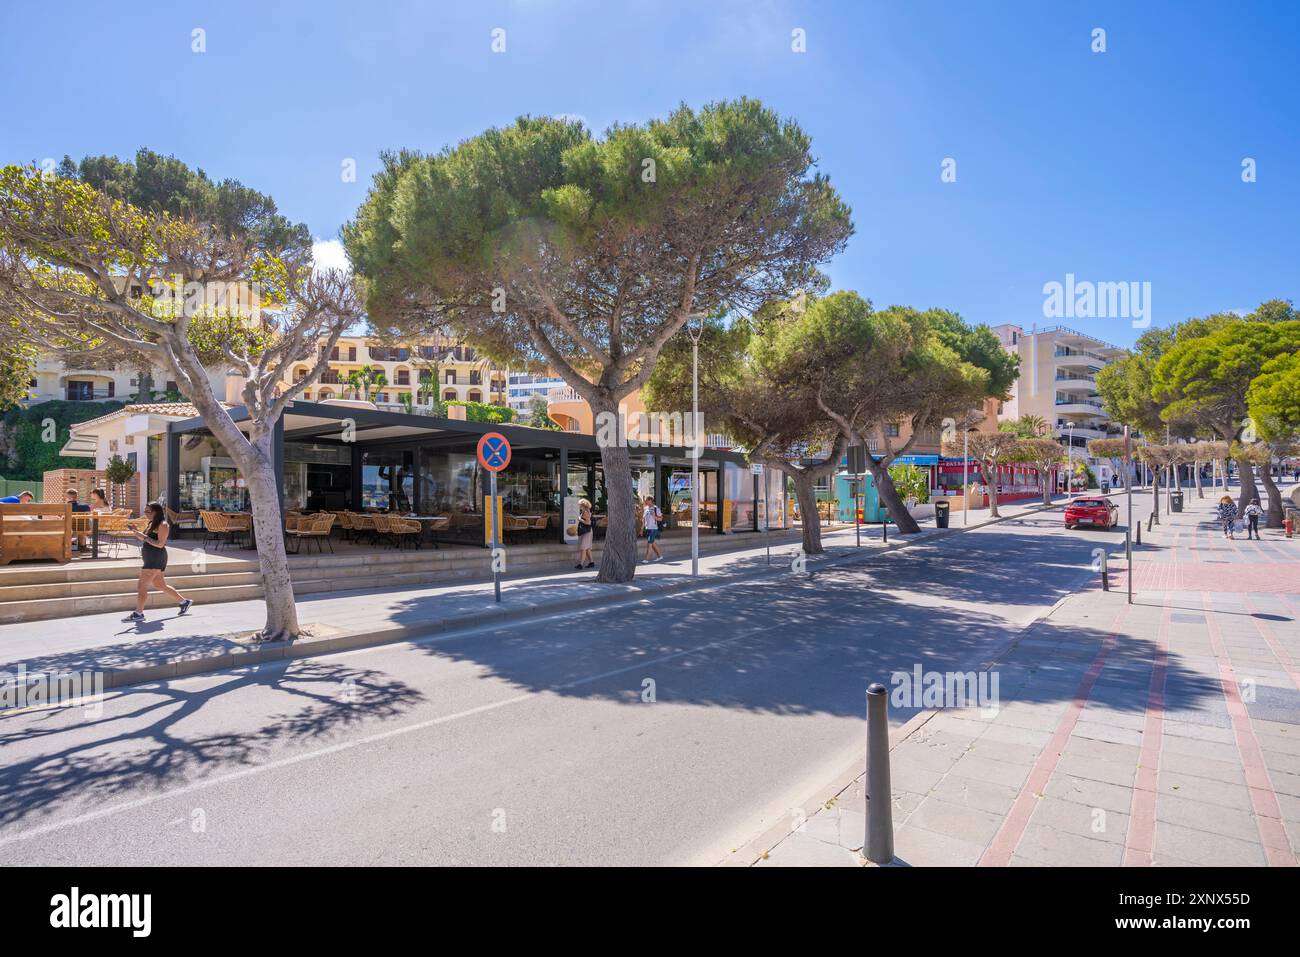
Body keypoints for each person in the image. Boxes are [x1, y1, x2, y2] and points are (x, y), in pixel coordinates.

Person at [123, 502, 192, 622]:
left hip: (155, 557)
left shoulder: (163, 525)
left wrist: (144, 537)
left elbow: (160, 544)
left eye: (147, 511)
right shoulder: (152, 523)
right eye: (145, 511)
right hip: (151, 557)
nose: (145, 513)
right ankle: (184, 602)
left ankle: (138, 613)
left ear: (155, 512)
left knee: (142, 586)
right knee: (160, 585)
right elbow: (145, 538)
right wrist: (136, 531)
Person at [574, 498, 594, 569]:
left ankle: (580, 564)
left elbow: (588, 523)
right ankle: (591, 562)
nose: (578, 506)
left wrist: (580, 519)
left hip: (586, 532)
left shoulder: (585, 512)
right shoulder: (584, 511)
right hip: (586, 531)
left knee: (583, 548)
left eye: (579, 504)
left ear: (583, 505)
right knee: (587, 548)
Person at [642, 496, 664, 563]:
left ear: (650, 500)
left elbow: (660, 519)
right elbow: (644, 520)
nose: (645, 501)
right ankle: (660, 556)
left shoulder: (656, 508)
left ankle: (646, 559)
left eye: (646, 500)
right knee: (652, 543)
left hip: (653, 529)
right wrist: (641, 529)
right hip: (647, 528)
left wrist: (654, 516)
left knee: (649, 544)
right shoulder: (645, 508)